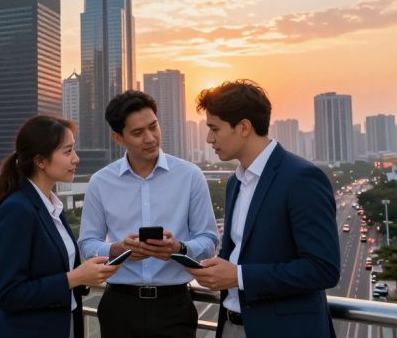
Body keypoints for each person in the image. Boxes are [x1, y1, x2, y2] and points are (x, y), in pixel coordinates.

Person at [185, 80, 340, 338]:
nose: (209, 139)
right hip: (231, 325)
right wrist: (211, 269)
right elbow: (237, 255)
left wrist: (240, 276)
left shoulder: (301, 178)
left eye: (215, 129)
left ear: (244, 127)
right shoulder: (236, 182)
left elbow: (323, 268)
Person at [79, 91, 219, 338]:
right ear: (118, 138)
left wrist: (179, 249)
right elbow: (87, 244)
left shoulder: (189, 176)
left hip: (174, 306)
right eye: (137, 133)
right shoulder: (100, 182)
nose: (150, 138)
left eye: (153, 126)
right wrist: (115, 250)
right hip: (119, 306)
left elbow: (208, 240)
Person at [0, 115, 119, 338]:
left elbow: (58, 270)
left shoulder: (51, 205)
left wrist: (92, 272)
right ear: (40, 161)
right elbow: (9, 294)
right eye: (67, 152)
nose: (76, 159)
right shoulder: (18, 209)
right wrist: (75, 278)